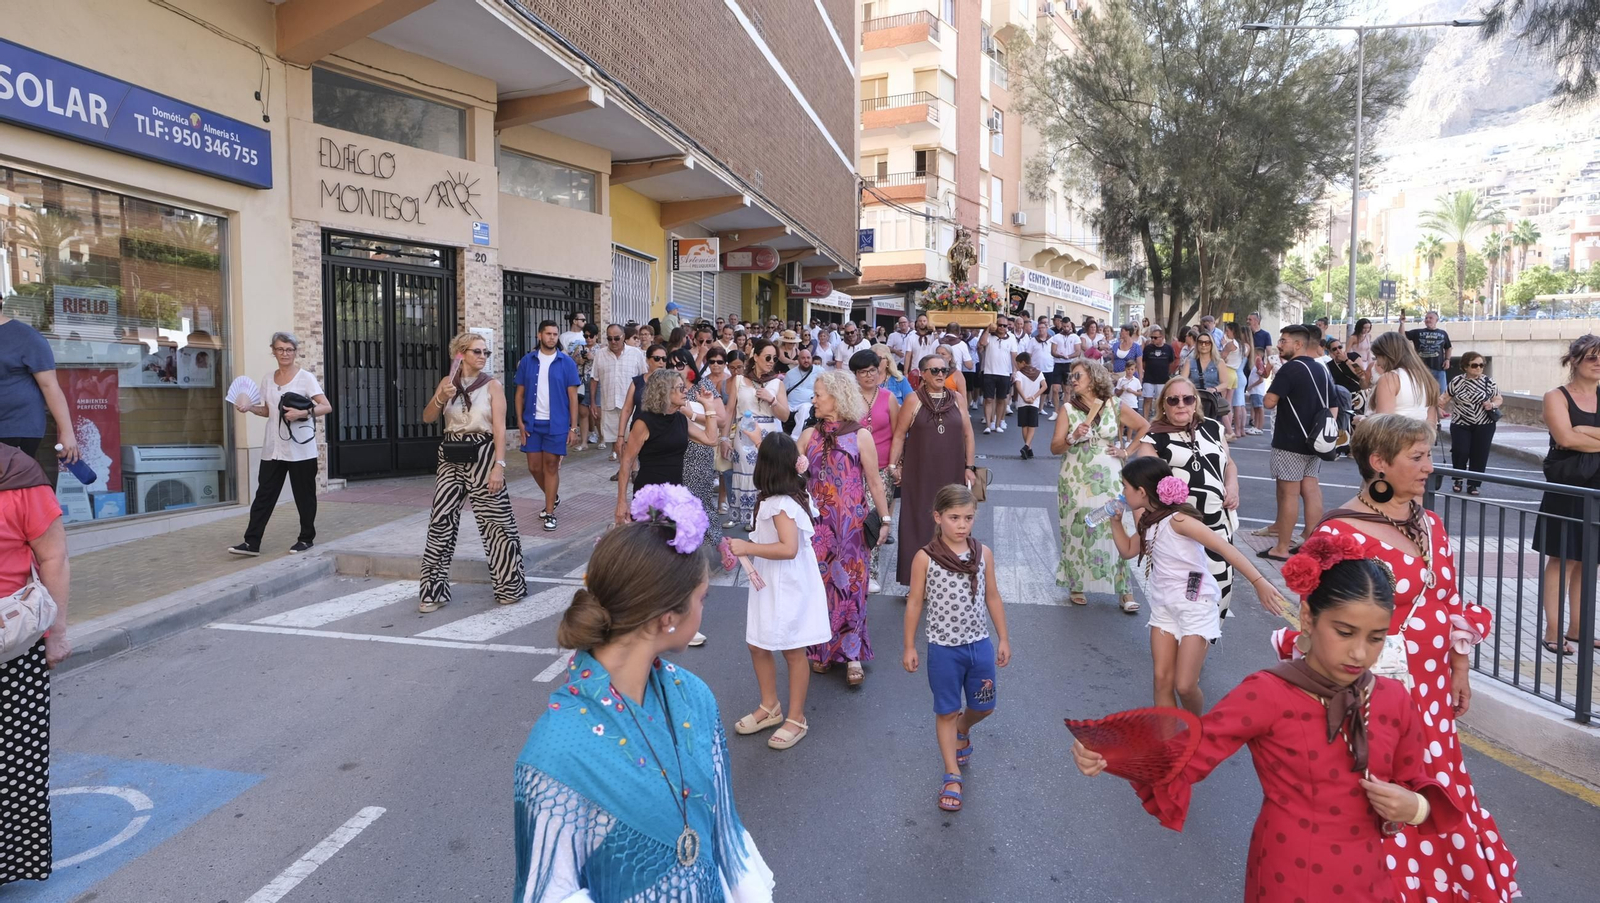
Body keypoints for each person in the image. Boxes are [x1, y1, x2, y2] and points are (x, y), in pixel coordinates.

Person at [1074, 550, 1466, 903]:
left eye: (1376, 637)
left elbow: (1416, 779)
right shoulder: (1270, 693)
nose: (1360, 652)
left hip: (1369, 876)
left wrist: (1415, 806)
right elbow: (1195, 750)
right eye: (1344, 632)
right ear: (1309, 618)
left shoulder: (1394, 698)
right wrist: (1116, 753)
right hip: (1289, 873)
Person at [1273, 414, 1519, 901]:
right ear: (1379, 463)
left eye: (1429, 455)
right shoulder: (1342, 534)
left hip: (1431, 698)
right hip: (1374, 697)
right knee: (1382, 795)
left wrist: (1460, 669)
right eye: (1418, 457)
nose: (1430, 467)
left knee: (1432, 790)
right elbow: (1317, 622)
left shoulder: (1429, 522)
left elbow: (1448, 602)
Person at [514, 489, 774, 901]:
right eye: (701, 599)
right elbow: (551, 892)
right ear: (668, 617)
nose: (704, 608)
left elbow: (724, 832)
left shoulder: (695, 698)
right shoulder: (555, 753)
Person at [1108, 458, 1283, 714]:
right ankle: (1170, 745)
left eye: (1125, 487)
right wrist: (1115, 522)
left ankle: (1195, 730)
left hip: (1196, 606)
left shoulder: (1179, 521)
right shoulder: (1149, 521)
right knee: (1162, 680)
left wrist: (1259, 582)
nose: (1122, 493)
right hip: (1164, 607)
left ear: (1141, 491)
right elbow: (1127, 551)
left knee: (1185, 685)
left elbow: (1223, 547)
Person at [901, 484, 1010, 813]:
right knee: (946, 710)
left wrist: (1003, 637)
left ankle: (964, 728)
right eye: (954, 518)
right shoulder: (926, 558)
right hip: (943, 650)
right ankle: (951, 774)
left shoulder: (983, 554)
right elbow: (915, 603)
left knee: (985, 706)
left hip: (979, 645)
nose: (962, 525)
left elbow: (992, 596)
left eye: (968, 518)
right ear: (938, 517)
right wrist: (909, 645)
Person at [726, 434, 828, 751]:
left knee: (792, 648)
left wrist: (746, 546)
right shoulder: (781, 494)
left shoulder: (783, 504)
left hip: (788, 582)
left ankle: (796, 717)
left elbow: (788, 548)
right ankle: (770, 705)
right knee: (758, 642)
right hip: (770, 579)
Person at [0, 445, 70, 887]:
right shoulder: (18, 474)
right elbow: (53, 557)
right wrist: (57, 633)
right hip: (12, 641)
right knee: (15, 760)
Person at [419, 333, 524, 612]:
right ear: (461, 354)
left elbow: (500, 429)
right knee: (440, 521)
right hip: (451, 454)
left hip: (483, 453)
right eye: (477, 351)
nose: (482, 357)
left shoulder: (492, 386)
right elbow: (428, 417)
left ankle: (509, 586)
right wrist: (441, 396)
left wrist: (499, 467)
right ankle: (432, 591)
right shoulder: (447, 383)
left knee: (496, 522)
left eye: (485, 353)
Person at [800, 370, 892, 686]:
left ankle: (853, 655)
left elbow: (875, 482)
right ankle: (822, 650)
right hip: (816, 528)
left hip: (851, 528)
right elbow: (789, 476)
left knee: (852, 589)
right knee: (820, 588)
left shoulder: (860, 435)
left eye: (818, 394)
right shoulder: (808, 435)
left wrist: (885, 520)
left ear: (836, 399)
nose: (813, 399)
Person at [1134, 376, 1243, 617]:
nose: (1181, 404)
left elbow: (1230, 464)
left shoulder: (1213, 428)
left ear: (1196, 403)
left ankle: (1198, 650)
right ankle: (1182, 647)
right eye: (1173, 400)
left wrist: (1232, 485)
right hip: (1181, 534)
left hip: (1219, 527)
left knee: (1218, 595)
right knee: (1186, 600)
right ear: (1164, 405)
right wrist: (1144, 532)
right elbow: (1140, 490)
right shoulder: (1154, 439)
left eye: (1187, 398)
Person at [1053, 359, 1149, 611]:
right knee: (1077, 528)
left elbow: (1144, 426)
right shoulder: (1068, 409)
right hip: (1074, 477)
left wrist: (1127, 451)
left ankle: (1124, 590)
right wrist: (1072, 437)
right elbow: (1055, 447)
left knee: (1112, 526)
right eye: (1071, 376)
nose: (1073, 380)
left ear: (1094, 378)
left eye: (1078, 376)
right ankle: (1076, 583)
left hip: (1108, 476)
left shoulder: (1114, 405)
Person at [229, 332, 331, 556]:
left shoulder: (305, 378)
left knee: (304, 496)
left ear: (295, 352)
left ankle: (306, 538)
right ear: (273, 351)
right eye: (280, 349)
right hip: (273, 448)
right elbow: (267, 410)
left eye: (289, 349)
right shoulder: (268, 378)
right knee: (264, 495)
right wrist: (250, 408)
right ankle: (251, 543)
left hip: (301, 449)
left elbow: (326, 406)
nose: (285, 353)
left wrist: (302, 412)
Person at [1536, 334, 1600, 657]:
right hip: (1568, 486)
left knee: (1589, 560)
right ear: (1574, 360)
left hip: (1597, 488)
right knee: (1562, 558)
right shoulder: (1556, 396)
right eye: (1592, 357)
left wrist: (1583, 432)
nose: (1599, 363)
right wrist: (1574, 436)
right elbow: (1563, 437)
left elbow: (1573, 437)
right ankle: (1552, 628)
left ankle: (1578, 628)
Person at [889, 354, 977, 585]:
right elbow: (899, 435)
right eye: (935, 370)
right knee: (918, 521)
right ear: (923, 375)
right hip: (919, 472)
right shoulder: (913, 400)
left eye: (944, 370)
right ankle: (918, 582)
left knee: (951, 521)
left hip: (952, 470)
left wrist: (970, 467)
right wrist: (893, 465)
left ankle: (947, 576)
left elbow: (968, 434)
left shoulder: (957, 398)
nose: (940, 374)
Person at [1261, 325, 1338, 561]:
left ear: (1298, 344)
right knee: (1311, 489)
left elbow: (1269, 402)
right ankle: (1312, 542)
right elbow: (1333, 405)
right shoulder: (1322, 369)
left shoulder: (1290, 369)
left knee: (1289, 494)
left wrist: (1275, 383)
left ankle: (1281, 547)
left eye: (1283, 341)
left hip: (1290, 440)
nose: (1279, 344)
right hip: (1315, 441)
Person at [614, 369, 720, 525]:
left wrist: (709, 406)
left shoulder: (680, 419)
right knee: (651, 545)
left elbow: (711, 439)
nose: (685, 391)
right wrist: (621, 502)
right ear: (664, 391)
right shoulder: (644, 422)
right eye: (680, 388)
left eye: (684, 387)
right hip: (650, 494)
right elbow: (627, 461)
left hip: (675, 492)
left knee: (672, 544)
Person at [516, 321, 582, 531]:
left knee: (551, 466)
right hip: (532, 423)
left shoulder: (567, 362)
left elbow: (573, 398)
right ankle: (552, 497)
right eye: (548, 334)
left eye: (555, 334)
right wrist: (519, 421)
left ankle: (550, 513)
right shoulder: (528, 361)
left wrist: (573, 427)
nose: (552, 337)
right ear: (539, 335)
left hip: (557, 424)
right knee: (534, 467)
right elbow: (519, 394)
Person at [724, 339, 790, 531]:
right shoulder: (738, 381)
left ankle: (760, 517)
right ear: (755, 356)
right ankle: (738, 514)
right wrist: (724, 439)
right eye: (767, 357)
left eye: (774, 358)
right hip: (744, 434)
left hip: (768, 434)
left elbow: (785, 416)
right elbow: (729, 411)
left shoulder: (777, 383)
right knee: (742, 473)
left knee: (765, 474)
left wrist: (773, 400)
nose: (771, 362)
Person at [0, 303, 77, 461]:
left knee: (12, 484)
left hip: (15, 429)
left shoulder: (26, 337)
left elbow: (50, 386)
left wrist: (67, 432)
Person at [851, 349, 899, 594]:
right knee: (853, 519)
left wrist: (896, 464)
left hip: (881, 469)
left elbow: (898, 434)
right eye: (863, 372)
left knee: (875, 518)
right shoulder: (848, 399)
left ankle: (872, 572)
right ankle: (854, 567)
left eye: (872, 370)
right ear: (855, 375)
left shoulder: (888, 397)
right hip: (852, 467)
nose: (869, 376)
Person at [676, 349, 729, 552]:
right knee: (679, 501)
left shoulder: (703, 386)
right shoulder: (670, 388)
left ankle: (717, 543)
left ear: (690, 366)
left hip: (700, 448)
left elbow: (722, 418)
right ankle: (686, 545)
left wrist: (692, 415)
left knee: (700, 499)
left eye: (680, 364)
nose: (675, 368)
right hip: (676, 450)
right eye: (671, 364)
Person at [1447, 351, 1503, 494]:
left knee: (1480, 454)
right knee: (1461, 451)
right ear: (1465, 366)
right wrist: (1437, 410)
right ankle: (1458, 479)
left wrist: (1492, 405)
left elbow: (1498, 399)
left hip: (1485, 424)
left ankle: (1473, 484)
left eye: (1481, 365)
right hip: (1461, 423)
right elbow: (1443, 398)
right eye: (1474, 365)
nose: (1478, 368)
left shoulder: (1489, 382)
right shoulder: (1457, 382)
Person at [594, 323, 648, 466]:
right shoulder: (600, 355)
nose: (613, 342)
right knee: (616, 441)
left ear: (623, 337)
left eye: (616, 338)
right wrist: (593, 403)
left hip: (632, 406)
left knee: (631, 440)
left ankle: (632, 468)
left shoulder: (636, 353)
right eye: (610, 338)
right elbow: (594, 379)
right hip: (609, 404)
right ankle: (624, 468)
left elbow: (644, 377)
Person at [1369, 331, 1439, 426]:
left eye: (1377, 357)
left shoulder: (1390, 378)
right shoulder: (1427, 378)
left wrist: (1362, 421)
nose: (1377, 363)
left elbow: (1383, 425)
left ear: (1387, 355)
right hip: (1421, 438)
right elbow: (1432, 422)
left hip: (1395, 439)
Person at [978, 318, 1019, 434]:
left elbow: (1014, 356)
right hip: (989, 372)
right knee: (989, 399)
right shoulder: (989, 335)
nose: (1002, 327)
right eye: (1000, 325)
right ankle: (988, 424)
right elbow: (982, 343)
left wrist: (1015, 371)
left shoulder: (1011, 338)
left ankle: (998, 424)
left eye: (1005, 326)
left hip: (1005, 373)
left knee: (1001, 400)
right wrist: (987, 329)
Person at [1400, 309, 1452, 395]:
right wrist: (1402, 323)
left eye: (1430, 318)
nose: (1428, 320)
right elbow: (1402, 336)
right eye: (1426, 318)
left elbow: (1448, 348)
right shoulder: (1417, 332)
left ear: (1436, 320)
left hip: (1438, 369)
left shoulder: (1443, 333)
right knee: (1421, 393)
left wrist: (1447, 359)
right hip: (1420, 369)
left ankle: (1438, 409)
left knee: (1441, 393)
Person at [1188, 331, 1231, 426]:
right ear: (1197, 344)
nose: (1204, 345)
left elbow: (1225, 383)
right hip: (1194, 399)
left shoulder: (1219, 362)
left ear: (1212, 345)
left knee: (1212, 427)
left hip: (1212, 399)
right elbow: (1183, 381)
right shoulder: (1190, 362)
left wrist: (1215, 389)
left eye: (1207, 343)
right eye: (1200, 342)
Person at [1012, 351, 1046, 460]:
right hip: (1034, 403)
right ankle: (1028, 447)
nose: (1017, 366)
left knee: (1024, 426)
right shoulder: (1038, 373)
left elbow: (1018, 385)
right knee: (1032, 426)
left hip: (1023, 403)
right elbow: (1044, 386)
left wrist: (1024, 398)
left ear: (1023, 362)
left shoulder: (1019, 373)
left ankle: (1027, 446)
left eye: (1018, 363)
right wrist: (1035, 397)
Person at [1139, 327, 1175, 420]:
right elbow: (1143, 362)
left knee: (1160, 401)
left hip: (1162, 379)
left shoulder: (1168, 348)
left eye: (1155, 337)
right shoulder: (1148, 348)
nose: (1153, 339)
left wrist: (1168, 372)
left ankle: (1159, 420)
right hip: (1149, 378)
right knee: (1147, 399)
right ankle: (1145, 420)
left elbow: (1172, 362)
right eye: (1152, 337)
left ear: (1162, 337)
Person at [781, 346, 818, 435]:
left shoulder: (819, 371)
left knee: (805, 408)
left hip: (807, 404)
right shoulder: (790, 374)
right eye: (803, 358)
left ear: (811, 359)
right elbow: (782, 392)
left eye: (808, 358)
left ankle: (795, 438)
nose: (806, 360)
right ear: (798, 359)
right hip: (790, 404)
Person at [1220, 321, 1248, 440]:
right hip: (1234, 374)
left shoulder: (1230, 344)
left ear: (1233, 331)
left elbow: (1221, 358)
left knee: (1221, 404)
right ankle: (1229, 430)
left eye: (1228, 331)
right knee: (1228, 404)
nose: (1226, 333)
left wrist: (1223, 346)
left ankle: (1229, 430)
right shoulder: (1242, 345)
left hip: (1226, 372)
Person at [902, 314, 941, 389]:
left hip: (930, 370)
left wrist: (934, 329)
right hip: (915, 371)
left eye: (924, 321)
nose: (922, 323)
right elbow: (908, 355)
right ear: (917, 323)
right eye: (920, 321)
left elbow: (938, 344)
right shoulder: (911, 337)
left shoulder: (932, 335)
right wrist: (906, 372)